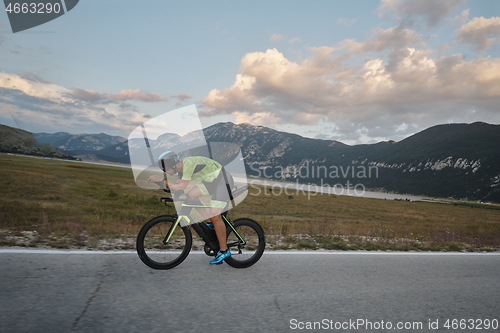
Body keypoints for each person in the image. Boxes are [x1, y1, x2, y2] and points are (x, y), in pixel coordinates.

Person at [148, 151, 234, 265]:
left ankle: (224, 250)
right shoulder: (180, 170)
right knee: (191, 195)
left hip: (223, 181)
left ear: (171, 165)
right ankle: (209, 222)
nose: (164, 171)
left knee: (215, 215)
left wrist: (161, 180)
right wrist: (164, 186)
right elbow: (178, 189)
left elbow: (180, 186)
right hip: (211, 181)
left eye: (165, 168)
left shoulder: (188, 164)